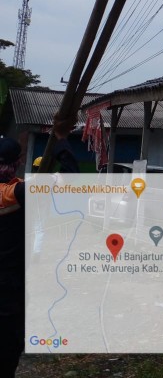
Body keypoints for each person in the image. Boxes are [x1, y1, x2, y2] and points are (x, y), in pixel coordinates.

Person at [0, 127, 78, 378]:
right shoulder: (19, 193)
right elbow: (71, 175)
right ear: (17, 163)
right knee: (7, 352)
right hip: (9, 294)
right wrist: (60, 140)